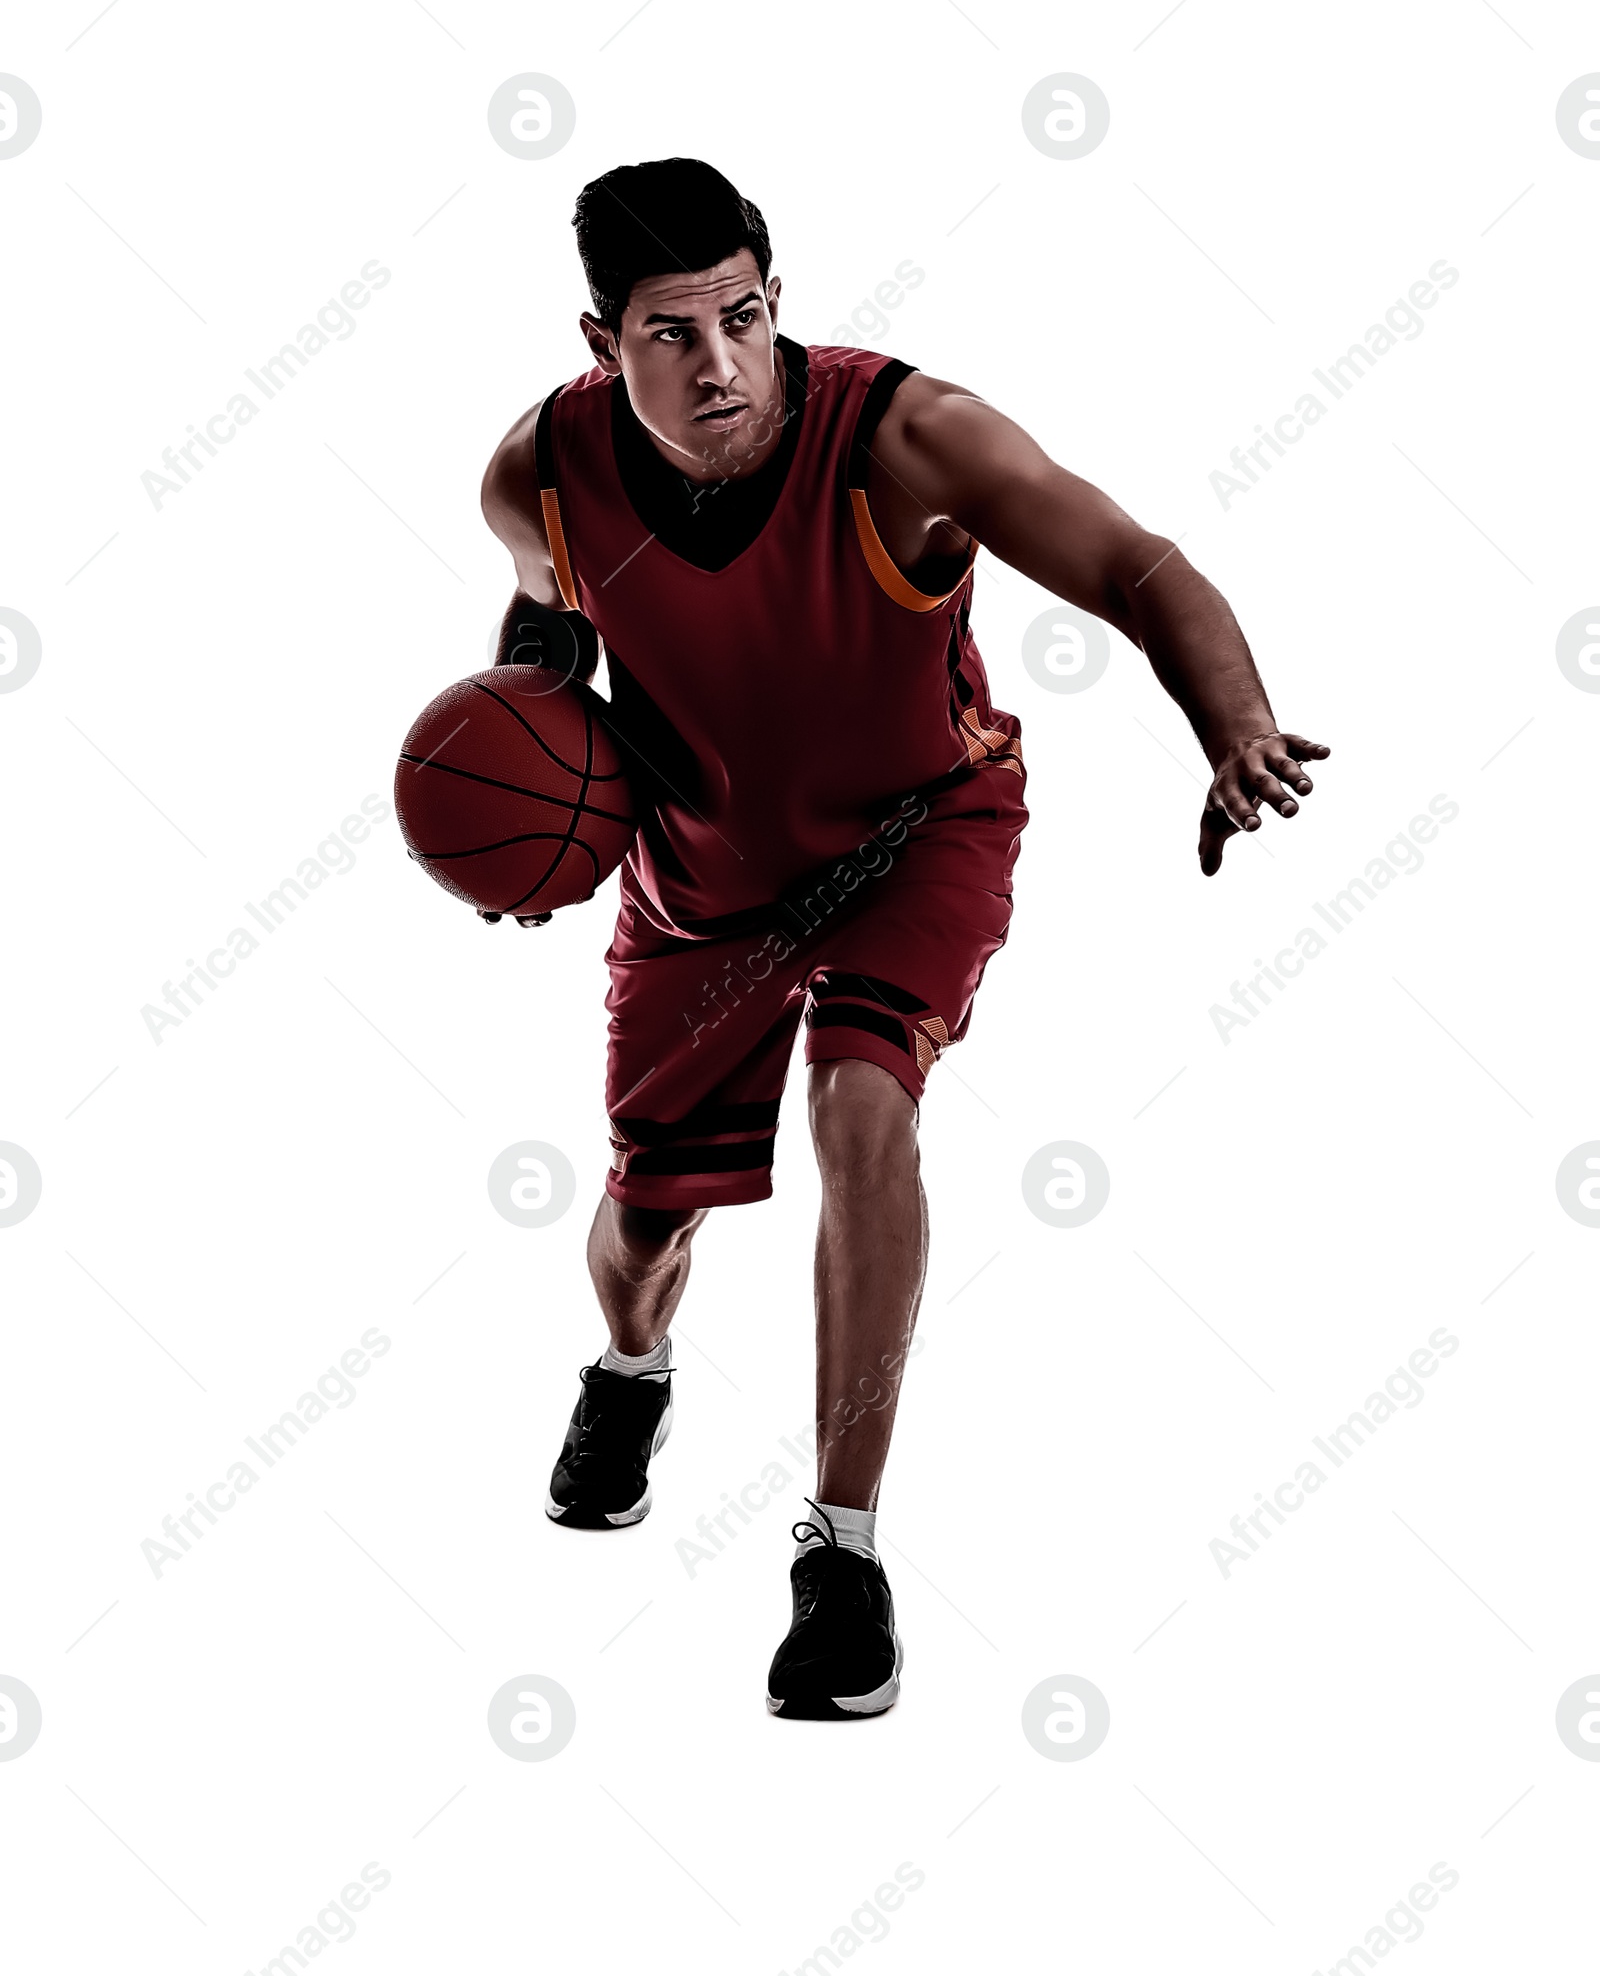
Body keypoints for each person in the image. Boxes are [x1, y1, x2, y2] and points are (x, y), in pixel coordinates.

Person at [481, 157, 1328, 1720]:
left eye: (742, 314)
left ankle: (842, 1555)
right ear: (602, 342)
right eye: (671, 332)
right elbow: (548, 628)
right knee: (647, 1229)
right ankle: (631, 1368)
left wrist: (1235, 723)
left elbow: (1138, 565)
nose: (717, 361)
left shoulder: (904, 438)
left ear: (777, 297)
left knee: (862, 1102)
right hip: (699, 875)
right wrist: (535, 785)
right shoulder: (536, 472)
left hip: (913, 833)